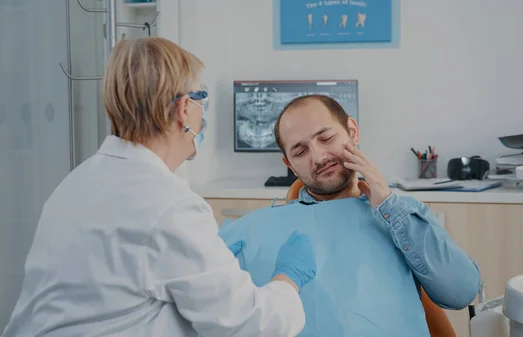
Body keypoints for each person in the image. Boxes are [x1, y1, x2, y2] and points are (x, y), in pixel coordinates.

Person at [0, 37, 316, 337]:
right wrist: (288, 277)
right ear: (183, 110)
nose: (202, 110)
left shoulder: (75, 183)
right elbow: (249, 325)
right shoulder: (169, 205)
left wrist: (207, 265)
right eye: (201, 96)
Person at [230, 94, 480, 335]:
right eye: (300, 151)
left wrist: (390, 207)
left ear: (353, 131)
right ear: (289, 165)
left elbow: (461, 292)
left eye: (326, 138)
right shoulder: (252, 230)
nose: (319, 157)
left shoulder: (403, 215)